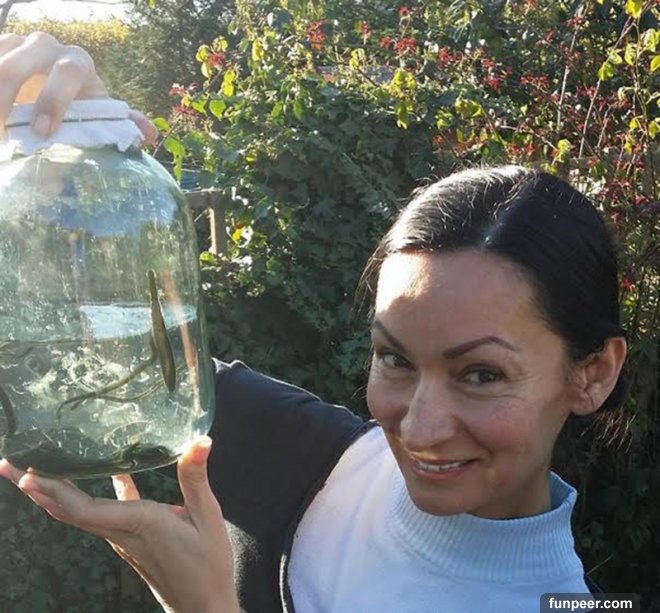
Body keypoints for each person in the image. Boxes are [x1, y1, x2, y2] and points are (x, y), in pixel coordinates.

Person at [0, 33, 628, 613]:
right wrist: (77, 156)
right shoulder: (305, 452)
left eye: (482, 374)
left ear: (593, 373)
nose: (417, 427)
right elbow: (82, 355)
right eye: (395, 359)